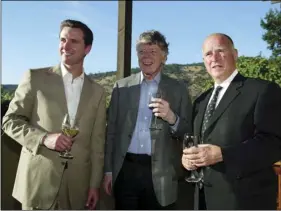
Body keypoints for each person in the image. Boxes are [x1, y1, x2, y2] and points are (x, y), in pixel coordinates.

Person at [2, 19, 106, 210]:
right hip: (38, 183)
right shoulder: (35, 78)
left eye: (74, 41)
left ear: (87, 49)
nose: (65, 46)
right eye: (62, 39)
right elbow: (9, 121)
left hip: (78, 189)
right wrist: (43, 139)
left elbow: (97, 144)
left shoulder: (98, 92)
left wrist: (94, 185)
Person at [182, 33, 281, 210]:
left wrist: (223, 155)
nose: (215, 58)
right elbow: (196, 142)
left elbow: (273, 144)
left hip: (245, 201)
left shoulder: (262, 90)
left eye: (220, 51)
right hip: (202, 201)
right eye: (208, 54)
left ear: (235, 54)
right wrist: (187, 160)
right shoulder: (200, 100)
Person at [103, 30, 192, 209]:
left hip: (162, 175)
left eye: (153, 52)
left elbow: (189, 132)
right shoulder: (121, 87)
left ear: (164, 57)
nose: (146, 57)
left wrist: (171, 117)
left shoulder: (178, 89)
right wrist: (108, 170)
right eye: (142, 52)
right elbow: (111, 131)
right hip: (125, 171)